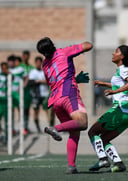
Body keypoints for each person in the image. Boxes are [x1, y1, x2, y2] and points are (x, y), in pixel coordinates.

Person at [36, 37, 93, 174]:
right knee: (83, 123)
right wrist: (74, 48)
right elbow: (88, 45)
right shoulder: (64, 52)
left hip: (56, 102)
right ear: (53, 44)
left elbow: (57, 81)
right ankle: (54, 128)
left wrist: (76, 79)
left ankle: (71, 166)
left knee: (74, 131)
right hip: (69, 95)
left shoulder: (45, 65)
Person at [88, 45, 128, 172]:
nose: (113, 53)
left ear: (122, 57)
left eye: (116, 52)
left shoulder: (123, 69)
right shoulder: (122, 70)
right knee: (104, 139)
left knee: (92, 132)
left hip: (120, 110)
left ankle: (103, 159)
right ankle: (118, 163)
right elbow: (120, 83)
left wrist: (116, 92)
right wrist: (104, 84)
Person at [28, 56, 49, 133]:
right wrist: (40, 81)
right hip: (36, 95)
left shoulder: (44, 71)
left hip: (44, 94)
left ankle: (50, 126)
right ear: (35, 63)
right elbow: (31, 82)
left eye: (40, 62)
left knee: (47, 110)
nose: (38, 64)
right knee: (36, 111)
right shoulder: (33, 72)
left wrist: (39, 81)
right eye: (37, 62)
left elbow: (48, 81)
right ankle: (38, 127)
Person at [21, 50, 35, 135]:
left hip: (28, 92)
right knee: (20, 109)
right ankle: (21, 127)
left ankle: (25, 127)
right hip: (20, 90)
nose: (26, 57)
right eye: (24, 56)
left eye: (27, 56)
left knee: (26, 110)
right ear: (23, 56)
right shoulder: (19, 67)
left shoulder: (31, 68)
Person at [0, 62, 9, 145]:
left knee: (7, 120)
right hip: (0, 100)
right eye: (3, 68)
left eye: (5, 68)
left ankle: (6, 138)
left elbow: (13, 79)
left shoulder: (9, 76)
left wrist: (9, 74)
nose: (4, 69)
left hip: (6, 101)